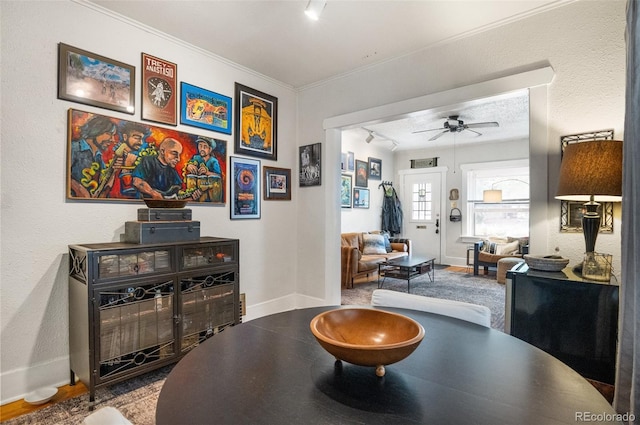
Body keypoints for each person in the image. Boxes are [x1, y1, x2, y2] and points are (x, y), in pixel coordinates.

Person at [69, 115, 117, 198]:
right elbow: (60, 174)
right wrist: (78, 188)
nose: (113, 140)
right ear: (96, 131)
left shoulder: (98, 156)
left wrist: (113, 171)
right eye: (109, 134)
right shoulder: (74, 148)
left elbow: (102, 183)